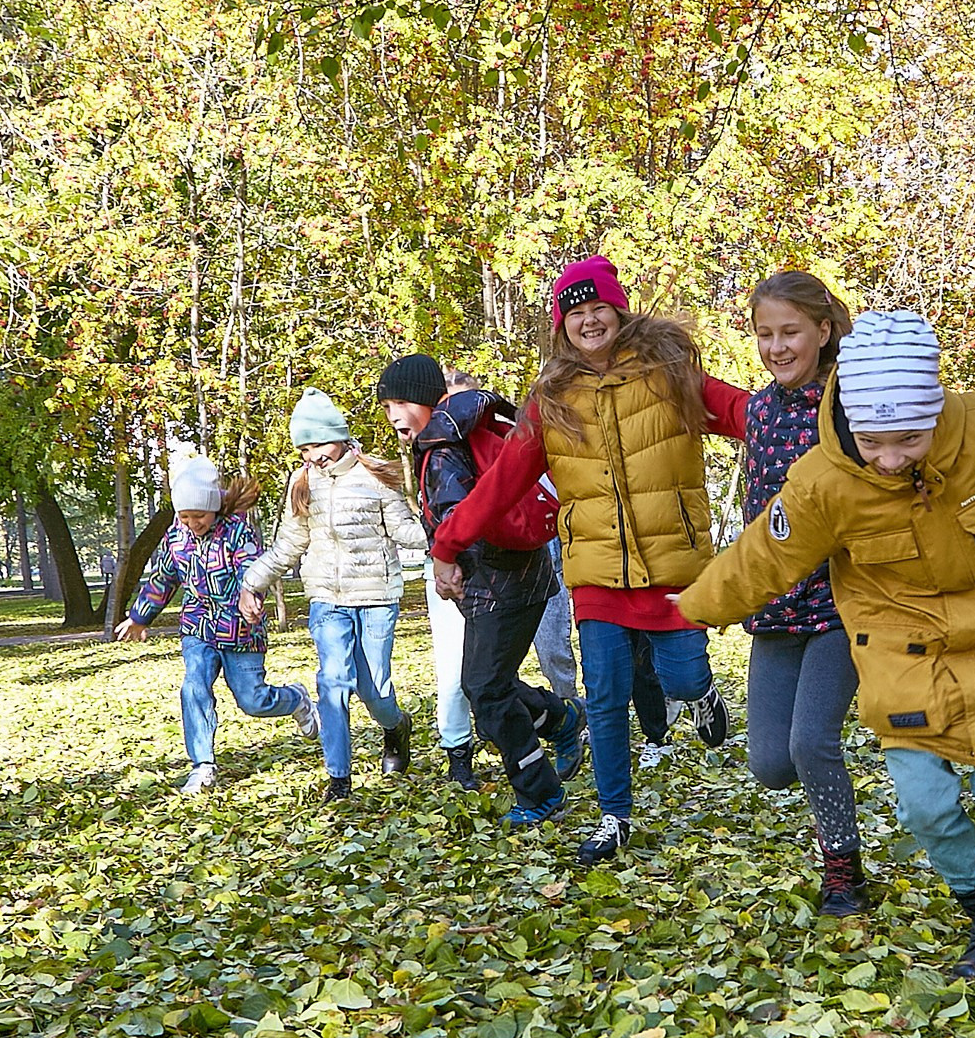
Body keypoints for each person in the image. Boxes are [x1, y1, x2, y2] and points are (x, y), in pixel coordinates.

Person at [679, 310, 975, 976]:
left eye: (909, 438)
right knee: (926, 805)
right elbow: (763, 554)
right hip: (899, 654)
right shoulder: (825, 481)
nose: (892, 458)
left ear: (936, 412)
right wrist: (696, 606)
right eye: (875, 442)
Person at [433, 255, 747, 867]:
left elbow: (742, 413)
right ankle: (615, 814)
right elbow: (501, 484)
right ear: (561, 326)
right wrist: (447, 544)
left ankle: (704, 693)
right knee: (605, 696)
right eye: (575, 312)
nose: (589, 320)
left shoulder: (670, 375)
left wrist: (815, 421)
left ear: (618, 310)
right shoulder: (552, 401)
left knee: (681, 677)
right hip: (596, 573)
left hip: (673, 568)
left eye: (597, 306)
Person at [377, 353, 587, 822]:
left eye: (398, 403)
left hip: (501, 585)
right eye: (386, 406)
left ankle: (541, 793)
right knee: (490, 684)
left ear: (423, 399)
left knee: (486, 691)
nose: (391, 415)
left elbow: (459, 518)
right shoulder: (459, 433)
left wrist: (445, 559)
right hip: (512, 579)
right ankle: (562, 718)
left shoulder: (443, 450)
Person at [738, 271, 870, 916]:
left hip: (840, 604)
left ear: (823, 331)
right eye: (765, 334)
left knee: (810, 741)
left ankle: (843, 867)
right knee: (770, 763)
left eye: (790, 332)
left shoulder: (850, 403)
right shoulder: (760, 411)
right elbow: (754, 504)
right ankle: (828, 803)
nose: (777, 346)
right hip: (777, 609)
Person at [239, 389, 425, 801]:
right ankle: (339, 779)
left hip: (376, 599)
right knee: (333, 683)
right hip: (327, 601)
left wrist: (450, 529)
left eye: (319, 444)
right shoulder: (301, 482)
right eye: (304, 448)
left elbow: (405, 530)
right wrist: (253, 582)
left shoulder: (373, 473)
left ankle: (395, 726)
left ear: (340, 436)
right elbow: (289, 543)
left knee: (374, 691)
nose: (313, 455)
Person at [117, 447, 319, 794]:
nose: (193, 524)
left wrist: (251, 599)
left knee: (253, 701)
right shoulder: (176, 538)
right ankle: (203, 764)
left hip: (241, 631)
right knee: (194, 687)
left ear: (213, 507)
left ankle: (296, 699)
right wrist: (139, 617)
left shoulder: (238, 532)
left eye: (199, 516)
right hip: (197, 629)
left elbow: (252, 571)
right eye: (185, 517)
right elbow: (163, 579)